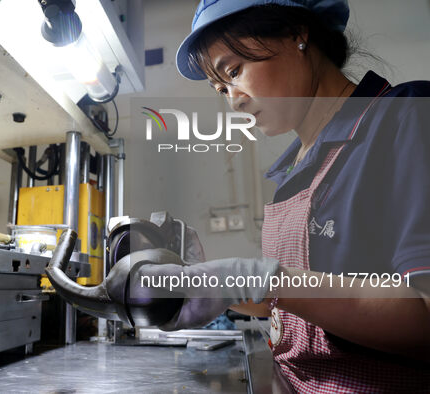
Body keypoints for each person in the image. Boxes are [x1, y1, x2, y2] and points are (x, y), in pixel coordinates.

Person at [133, 0, 430, 392]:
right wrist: (210, 284)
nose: (233, 99)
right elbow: (299, 303)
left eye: (235, 71)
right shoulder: (293, 169)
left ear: (297, 32)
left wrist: (256, 280)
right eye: (221, 88)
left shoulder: (404, 118)